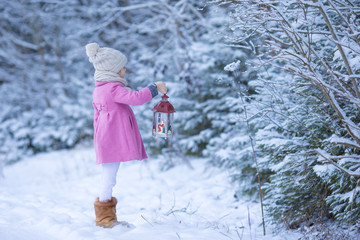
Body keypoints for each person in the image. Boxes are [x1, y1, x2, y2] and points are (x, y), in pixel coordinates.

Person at [85, 42, 167, 228]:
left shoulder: (99, 89)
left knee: (109, 175)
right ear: (112, 70)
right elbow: (136, 98)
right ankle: (104, 218)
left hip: (106, 138)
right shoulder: (112, 89)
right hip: (112, 139)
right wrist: (155, 88)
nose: (124, 69)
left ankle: (106, 217)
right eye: (122, 67)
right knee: (109, 177)